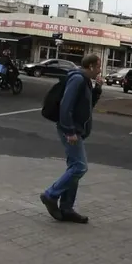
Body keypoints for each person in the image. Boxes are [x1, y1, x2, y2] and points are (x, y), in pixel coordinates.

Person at [40, 53, 103, 224]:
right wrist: (69, 131)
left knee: (74, 167)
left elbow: (87, 107)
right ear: (90, 66)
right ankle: (50, 194)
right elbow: (65, 106)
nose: (100, 70)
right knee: (80, 167)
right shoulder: (77, 79)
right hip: (71, 130)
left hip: (77, 130)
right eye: (98, 66)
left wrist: (97, 89)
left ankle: (67, 208)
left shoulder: (87, 82)